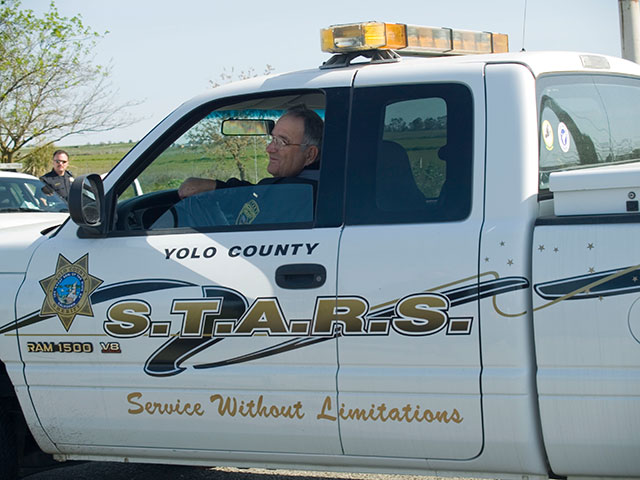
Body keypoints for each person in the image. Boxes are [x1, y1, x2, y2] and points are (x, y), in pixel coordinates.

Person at [178, 105, 323, 199]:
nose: (269, 149)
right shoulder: (322, 182)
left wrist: (218, 188)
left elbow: (256, 198)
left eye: (282, 142)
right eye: (273, 139)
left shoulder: (298, 191)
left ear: (310, 155)